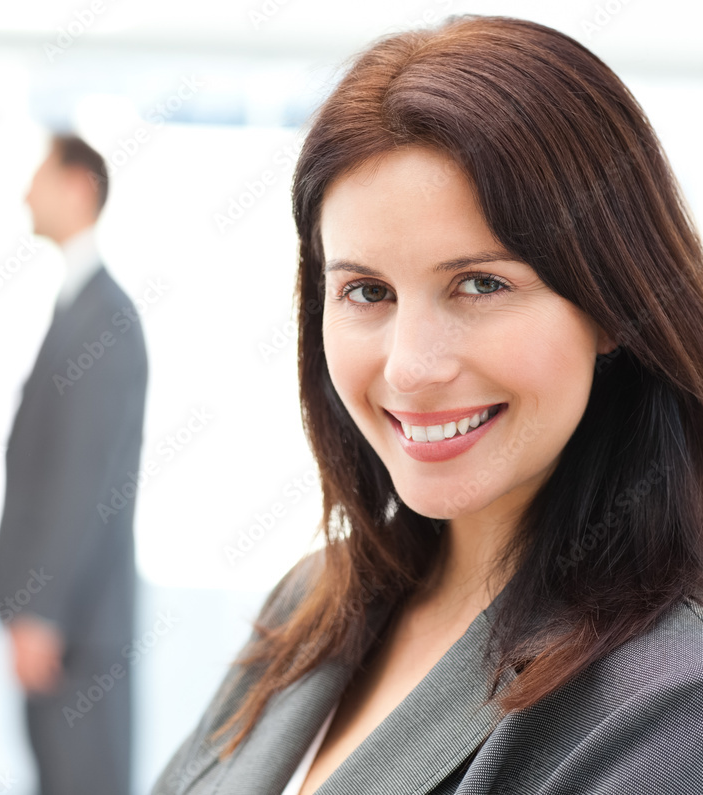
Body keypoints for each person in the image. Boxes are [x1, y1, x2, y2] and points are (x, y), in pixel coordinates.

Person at [150, 14, 703, 795]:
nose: (410, 368)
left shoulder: (669, 704)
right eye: (366, 290)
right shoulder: (315, 600)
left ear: (612, 304)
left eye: (481, 284)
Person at [0, 133, 149, 795]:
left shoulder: (106, 318)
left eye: (39, 177)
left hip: (79, 628)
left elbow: (84, 483)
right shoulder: (77, 308)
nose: (26, 192)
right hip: (65, 625)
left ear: (79, 185)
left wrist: (42, 611)